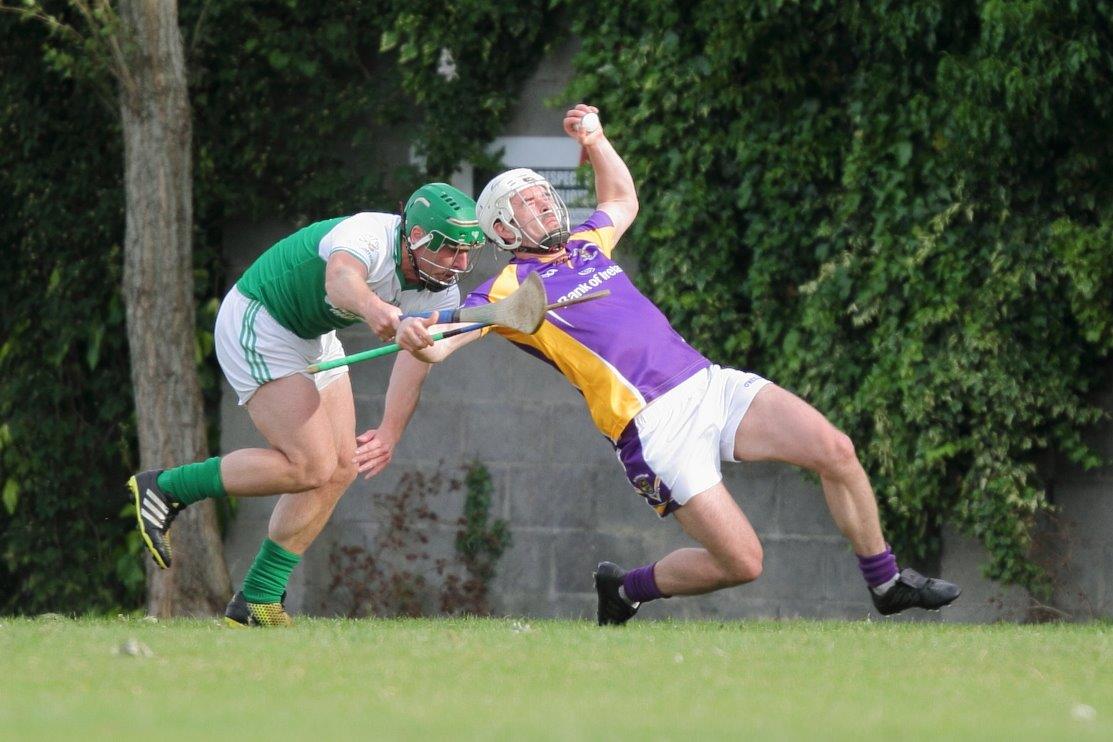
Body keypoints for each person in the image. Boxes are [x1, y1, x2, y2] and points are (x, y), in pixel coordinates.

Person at [382, 105, 961, 624]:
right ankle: (625, 588)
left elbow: (621, 200)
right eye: (527, 203)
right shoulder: (504, 289)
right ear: (502, 229)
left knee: (836, 450)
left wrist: (597, 138)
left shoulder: (587, 244)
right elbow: (439, 345)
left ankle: (885, 583)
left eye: (543, 195)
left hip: (710, 385)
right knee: (743, 562)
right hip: (653, 428)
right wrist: (416, 335)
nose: (544, 204)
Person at [129, 183, 484, 627]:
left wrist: (391, 428)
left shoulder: (439, 292)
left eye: (469, 252)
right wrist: (378, 312)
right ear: (415, 237)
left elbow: (418, 359)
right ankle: (167, 488)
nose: (462, 265)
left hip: (313, 338)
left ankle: (256, 601)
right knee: (309, 465)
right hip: (260, 318)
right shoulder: (369, 234)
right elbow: (340, 281)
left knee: (339, 468)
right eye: (451, 251)